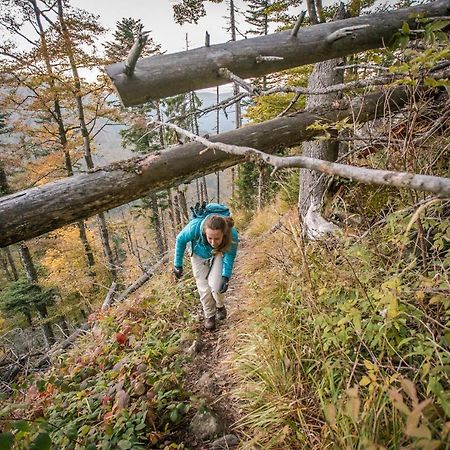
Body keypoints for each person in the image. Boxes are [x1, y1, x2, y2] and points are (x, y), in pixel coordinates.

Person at [173, 209, 238, 330]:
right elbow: (180, 240)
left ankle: (220, 306)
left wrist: (226, 276)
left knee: (216, 285)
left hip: (218, 253)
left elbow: (230, 256)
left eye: (217, 238)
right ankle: (210, 315)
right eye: (210, 238)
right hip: (198, 253)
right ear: (204, 232)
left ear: (224, 234)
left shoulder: (231, 234)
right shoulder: (194, 228)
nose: (213, 242)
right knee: (204, 287)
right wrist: (178, 265)